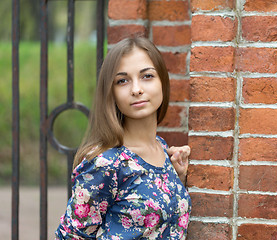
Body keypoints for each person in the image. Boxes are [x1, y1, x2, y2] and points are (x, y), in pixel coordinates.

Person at [55, 37, 191, 239]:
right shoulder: (106, 163)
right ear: (111, 92)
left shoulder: (162, 149)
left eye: (147, 76)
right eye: (123, 81)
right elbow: (70, 236)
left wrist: (178, 177)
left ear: (162, 81)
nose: (136, 89)